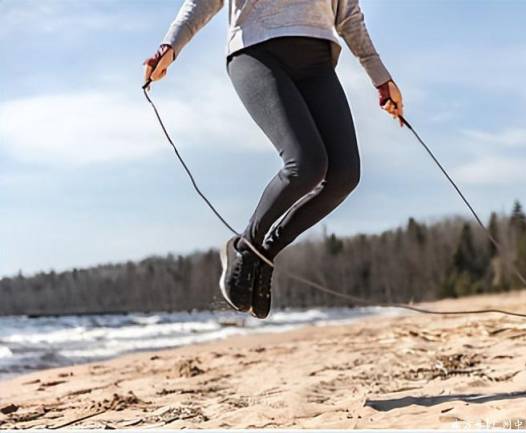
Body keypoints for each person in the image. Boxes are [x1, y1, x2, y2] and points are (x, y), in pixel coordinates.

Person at [143, 0, 404, 319]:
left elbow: (348, 16)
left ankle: (261, 255)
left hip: (318, 62)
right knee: (305, 165)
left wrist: (381, 78)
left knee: (345, 175)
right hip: (257, 51)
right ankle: (244, 248)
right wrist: (171, 44)